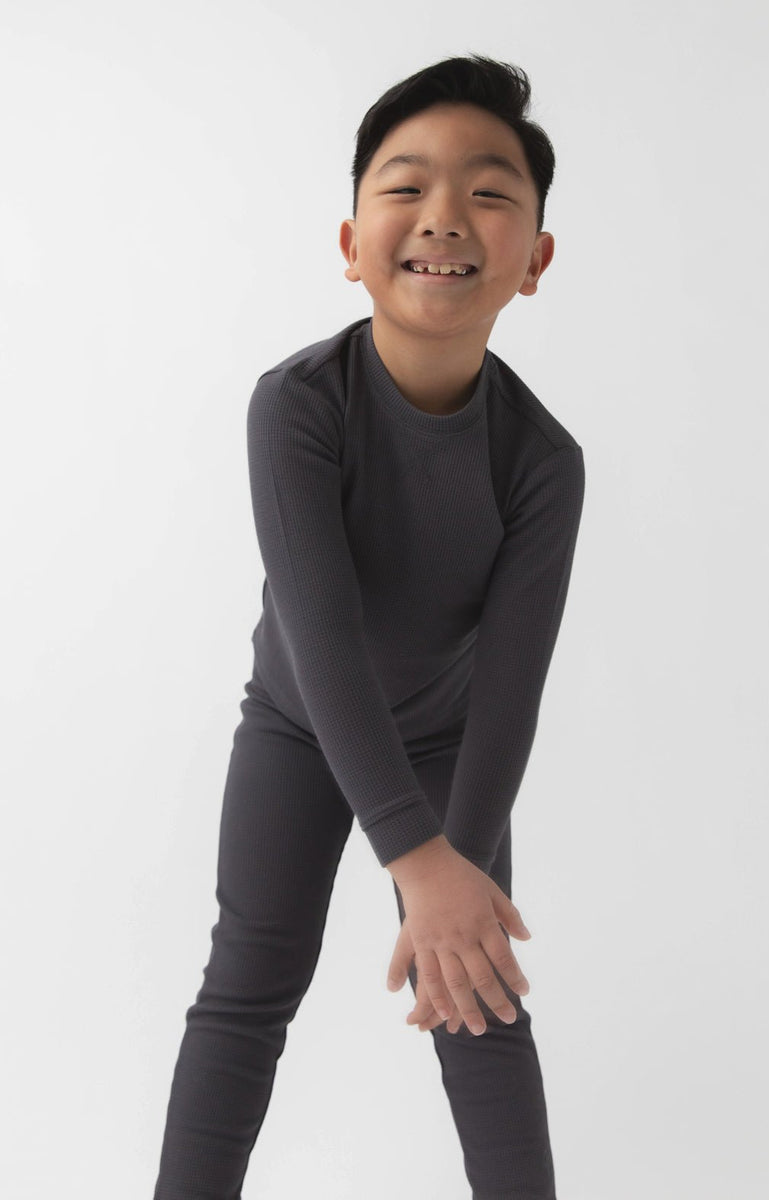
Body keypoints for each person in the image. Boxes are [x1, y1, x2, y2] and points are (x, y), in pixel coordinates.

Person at [153, 53, 585, 1200]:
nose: (443, 215)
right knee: (247, 989)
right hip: (299, 725)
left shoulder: (543, 464)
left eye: (487, 192)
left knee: (478, 997)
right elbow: (323, 639)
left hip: (447, 743)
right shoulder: (296, 407)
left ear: (533, 261)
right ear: (351, 243)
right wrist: (414, 856)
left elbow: (510, 687)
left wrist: (458, 872)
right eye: (405, 186)